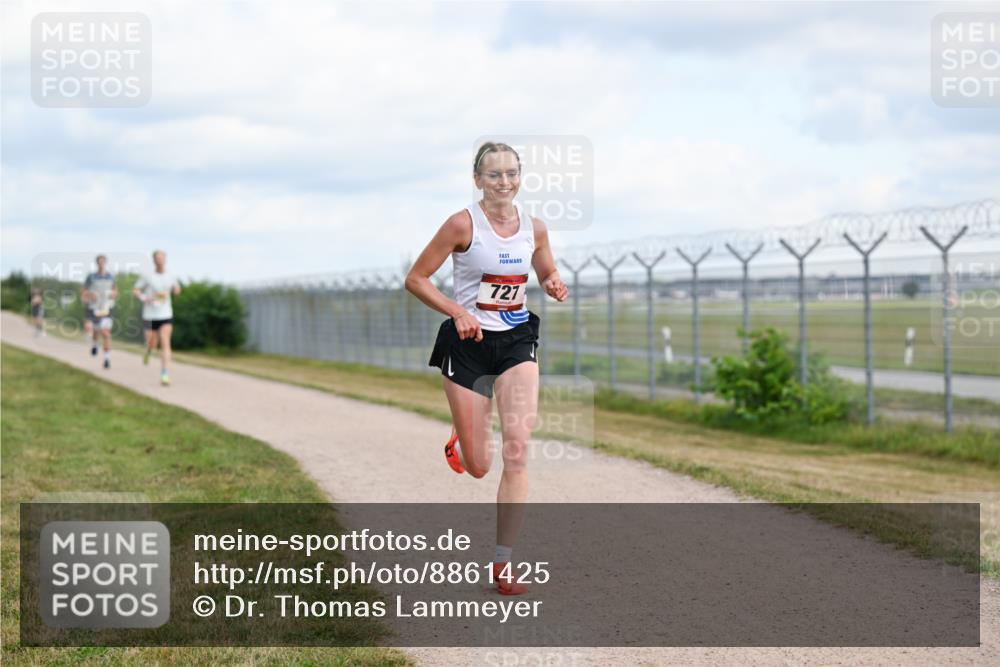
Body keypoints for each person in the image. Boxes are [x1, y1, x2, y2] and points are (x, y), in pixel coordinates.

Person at [405, 142, 568, 596]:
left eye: (511, 173)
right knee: (479, 465)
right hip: (469, 344)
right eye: (493, 175)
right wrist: (457, 311)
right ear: (477, 179)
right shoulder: (462, 224)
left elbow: (545, 268)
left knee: (518, 447)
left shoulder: (533, 228)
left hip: (516, 340)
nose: (504, 182)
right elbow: (415, 279)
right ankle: (464, 437)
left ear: (521, 177)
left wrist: (552, 281)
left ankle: (503, 564)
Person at [133, 250, 181, 386]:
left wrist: (173, 291)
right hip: (150, 314)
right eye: (157, 259)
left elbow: (177, 289)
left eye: (162, 258)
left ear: (165, 260)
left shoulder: (171, 275)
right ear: (154, 261)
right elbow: (135, 290)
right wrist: (145, 298)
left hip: (165, 314)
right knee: (152, 343)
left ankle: (164, 373)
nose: (159, 261)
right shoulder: (147, 276)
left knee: (165, 341)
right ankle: (148, 352)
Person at [81, 255, 118, 368]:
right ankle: (95, 344)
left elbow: (115, 291)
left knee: (106, 333)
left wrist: (113, 294)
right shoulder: (91, 277)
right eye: (99, 262)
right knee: (96, 331)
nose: (101, 264)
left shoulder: (111, 277)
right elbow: (83, 292)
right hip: (94, 308)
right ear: (97, 263)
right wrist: (90, 295)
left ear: (106, 263)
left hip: (107, 309)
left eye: (103, 262)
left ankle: (107, 359)